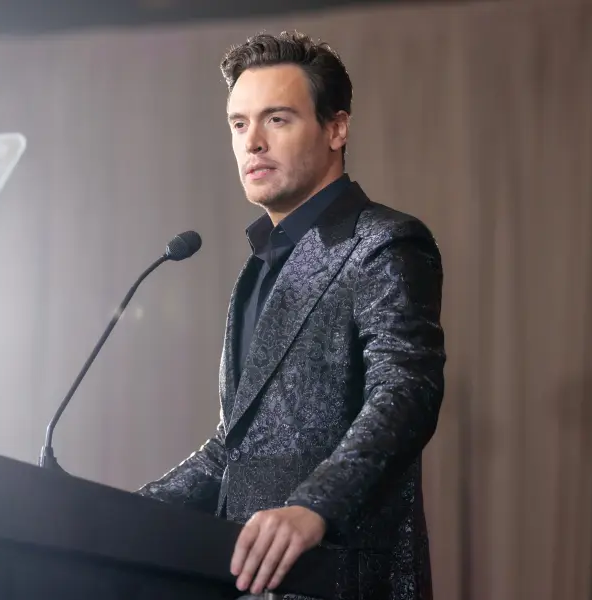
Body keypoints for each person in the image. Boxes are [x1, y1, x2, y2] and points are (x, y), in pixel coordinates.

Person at [137, 31, 446, 600]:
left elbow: (406, 391)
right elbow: (234, 447)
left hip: (339, 578)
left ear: (336, 128)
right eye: (238, 124)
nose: (252, 142)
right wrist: (122, 512)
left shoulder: (384, 242)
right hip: (243, 578)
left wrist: (314, 506)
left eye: (276, 119)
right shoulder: (256, 270)